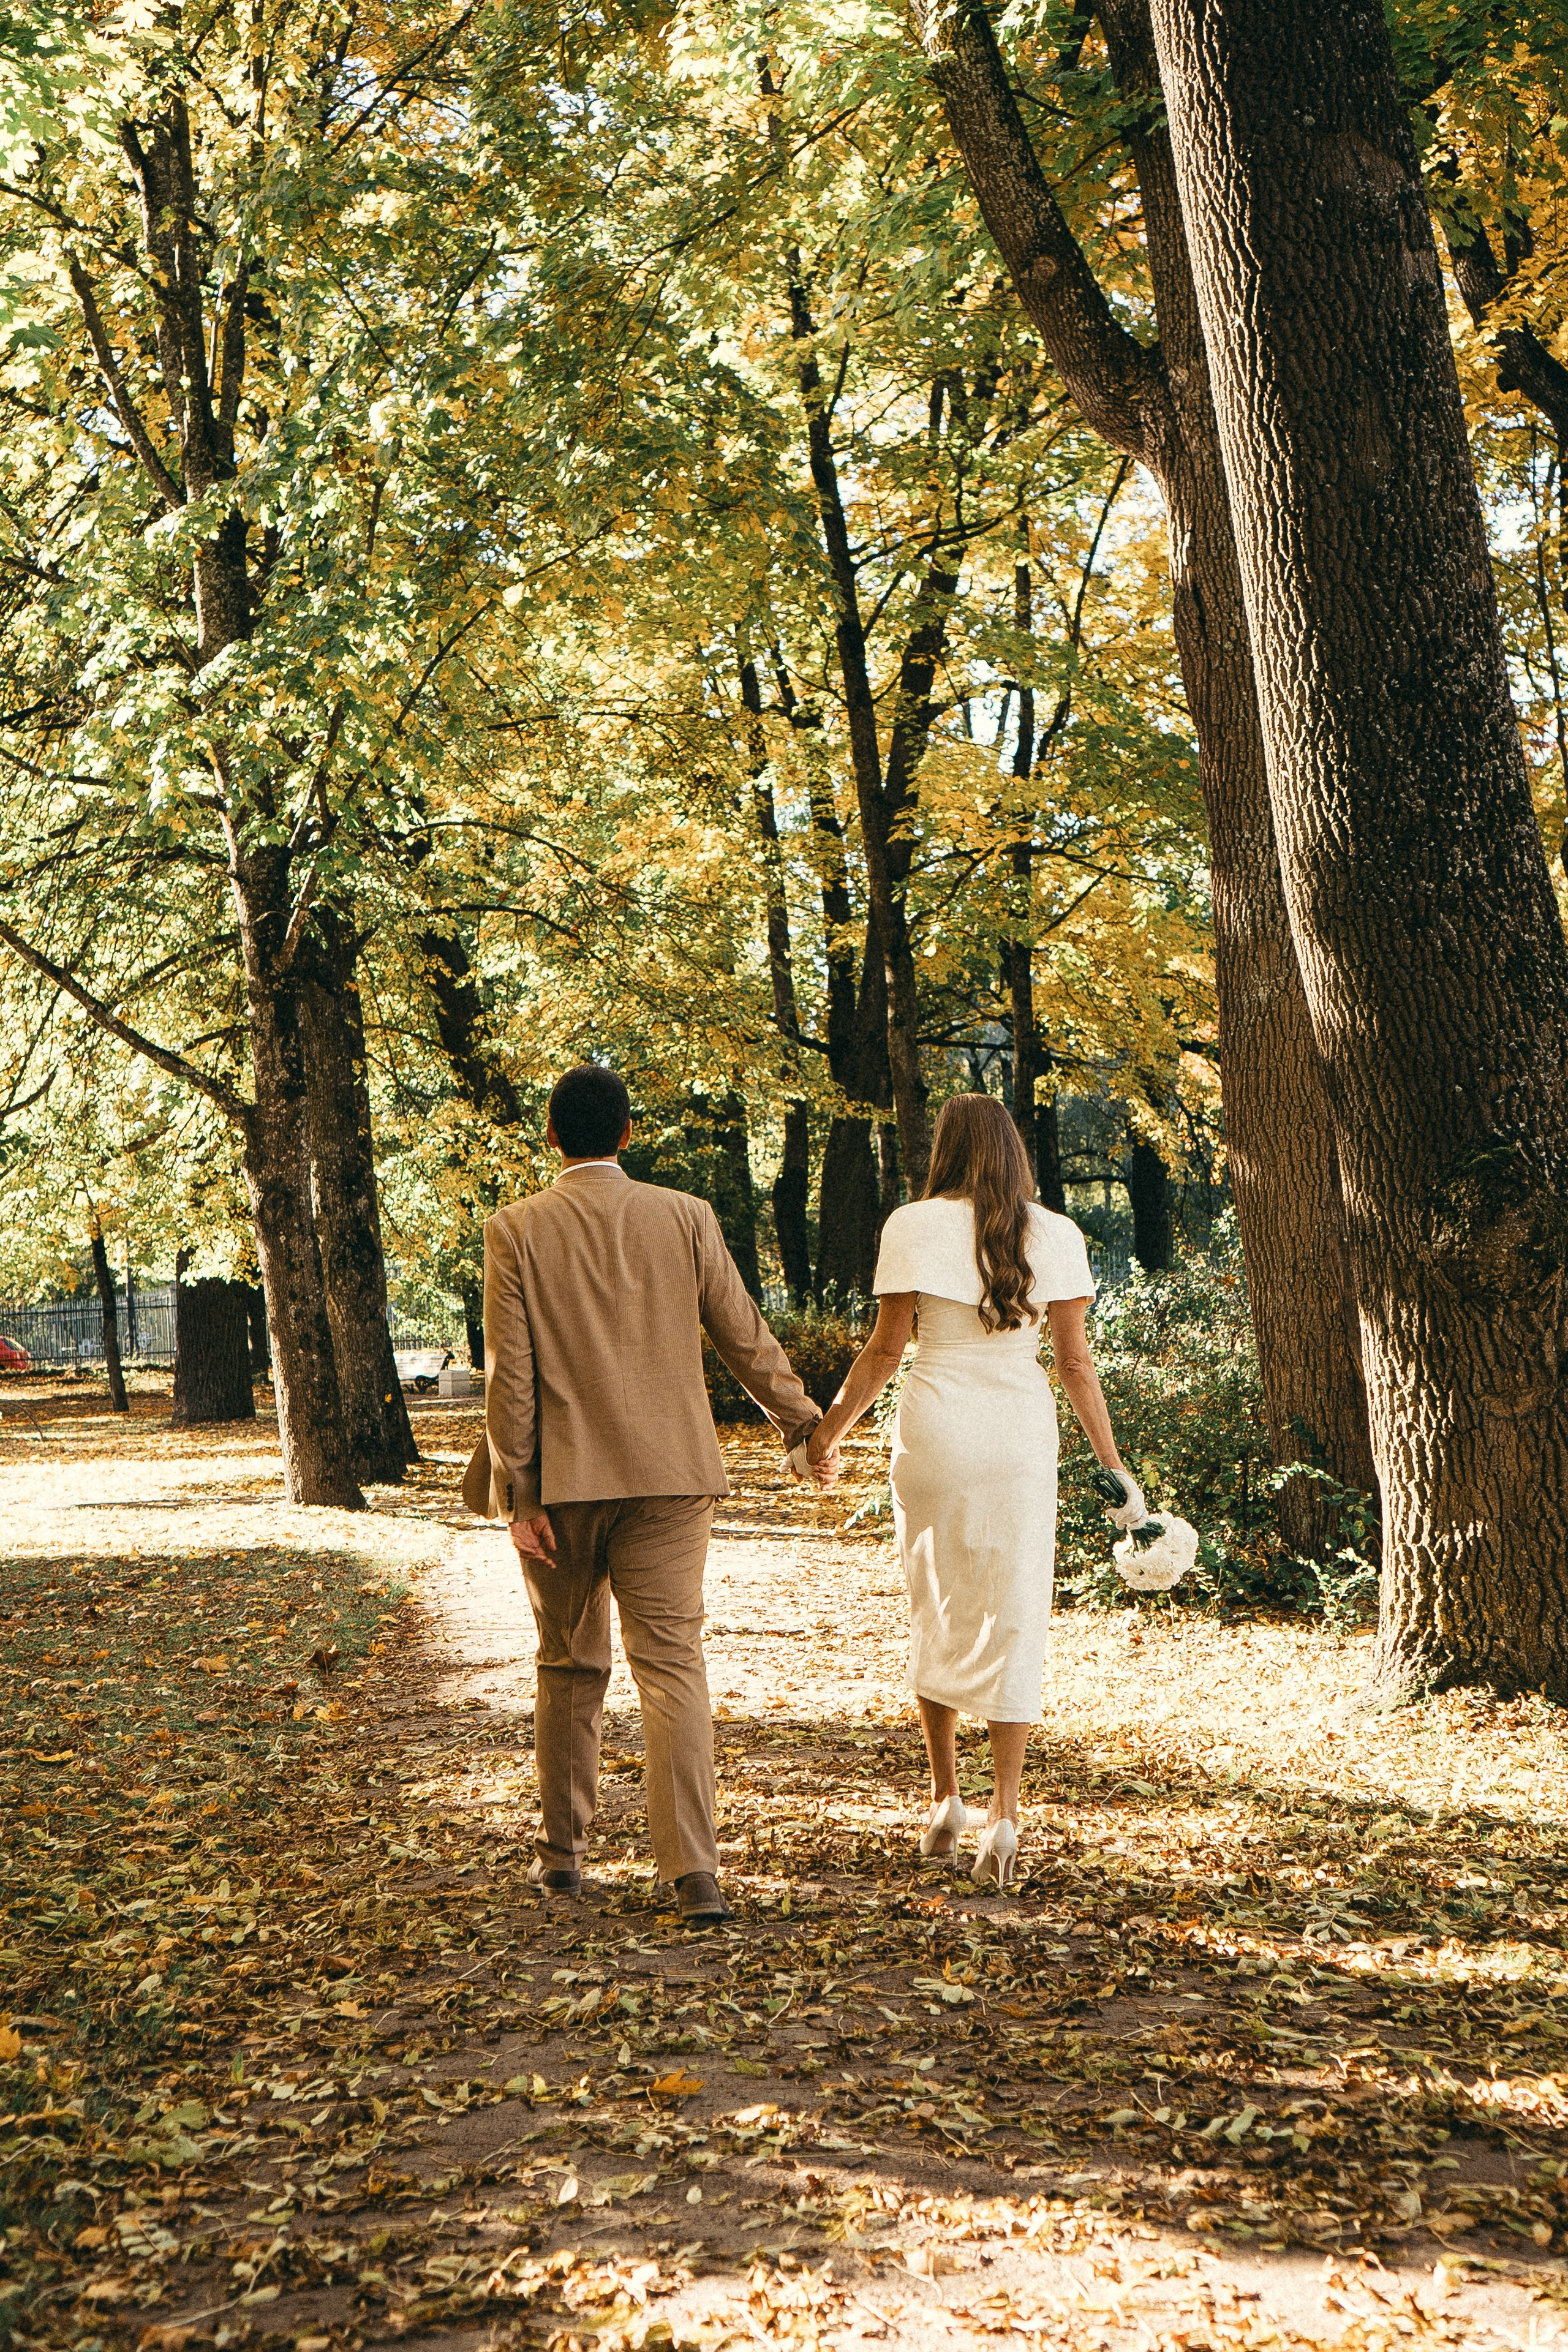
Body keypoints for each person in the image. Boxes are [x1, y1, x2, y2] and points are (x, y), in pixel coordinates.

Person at [462, 1063, 837, 1925]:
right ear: (628, 1134)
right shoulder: (686, 1217)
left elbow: (508, 1376)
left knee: (568, 1665)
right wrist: (802, 1424)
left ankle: (562, 1864)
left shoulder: (515, 1228)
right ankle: (693, 1874)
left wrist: (519, 1493)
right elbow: (744, 1333)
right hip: (671, 1478)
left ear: (552, 1137)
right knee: (672, 1669)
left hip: (561, 1485)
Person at [803, 1094, 1142, 1889]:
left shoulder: (911, 1225)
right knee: (1015, 1609)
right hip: (1020, 1437)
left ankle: (946, 1798)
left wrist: (827, 1434)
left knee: (939, 1601)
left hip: (936, 1433)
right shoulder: (1057, 1234)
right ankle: (1007, 1815)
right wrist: (1114, 1463)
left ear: (945, 1150)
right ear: (1014, 1151)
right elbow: (1076, 1365)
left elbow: (886, 1352)